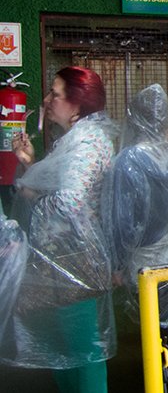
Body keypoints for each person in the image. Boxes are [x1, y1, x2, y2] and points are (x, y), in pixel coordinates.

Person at [2, 66, 117, 393]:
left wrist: (29, 194)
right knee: (67, 358)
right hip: (63, 268)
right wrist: (30, 165)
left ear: (77, 104)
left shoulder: (86, 143)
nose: (48, 99)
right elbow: (59, 189)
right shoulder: (75, 141)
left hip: (77, 268)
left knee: (82, 360)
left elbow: (68, 205)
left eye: (56, 93)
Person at [103, 84, 168, 329]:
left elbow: (123, 220)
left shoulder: (128, 160)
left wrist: (117, 264)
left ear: (134, 119)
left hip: (142, 261)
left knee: (151, 329)